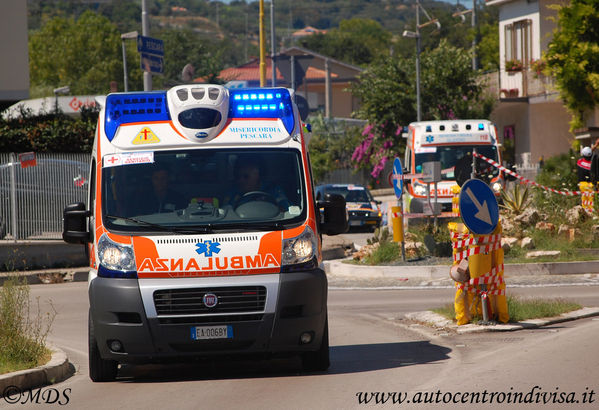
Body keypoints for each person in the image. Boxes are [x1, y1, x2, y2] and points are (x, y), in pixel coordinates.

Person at [224, 156, 290, 211]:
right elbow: (224, 211)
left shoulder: (274, 190)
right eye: (238, 177)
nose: (240, 181)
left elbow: (288, 210)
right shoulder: (233, 192)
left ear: (259, 175)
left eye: (246, 177)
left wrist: (269, 205)